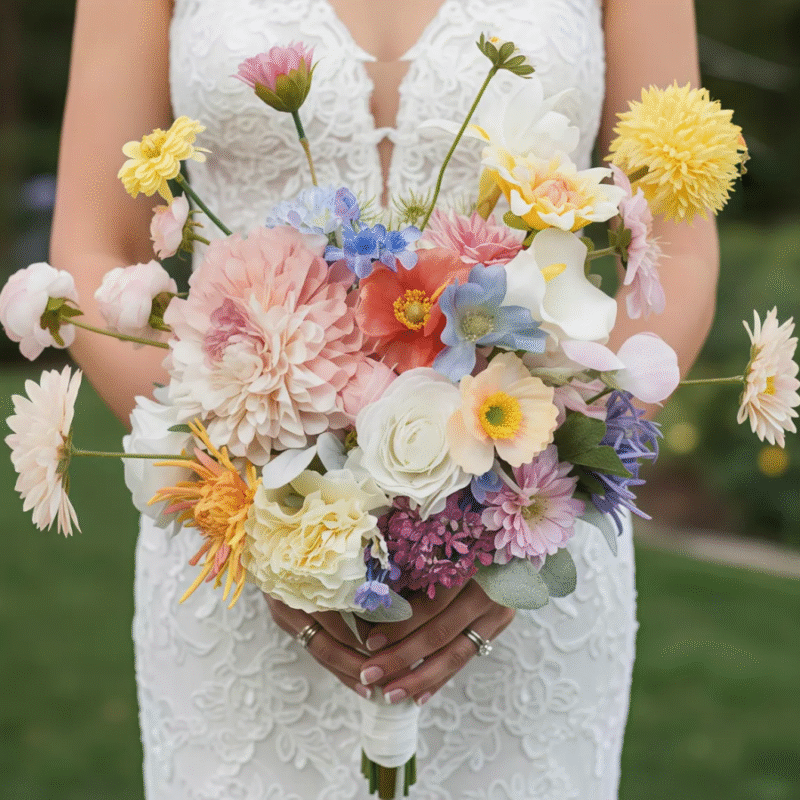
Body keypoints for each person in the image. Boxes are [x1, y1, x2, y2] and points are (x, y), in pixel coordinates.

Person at [51, 0, 719, 797]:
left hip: (533, 543)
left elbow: (677, 247)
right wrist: (261, 512)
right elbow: (96, 245)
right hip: (234, 551)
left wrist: (528, 503)